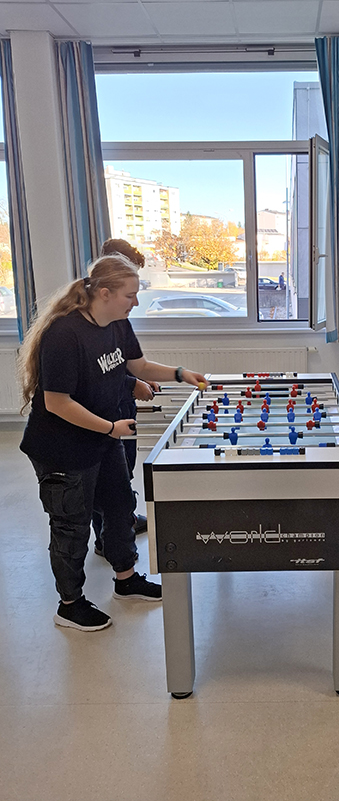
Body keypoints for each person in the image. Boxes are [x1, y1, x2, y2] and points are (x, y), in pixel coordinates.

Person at [19, 254, 209, 632]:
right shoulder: (64, 333)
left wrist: (179, 373)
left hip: (103, 435)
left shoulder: (117, 324)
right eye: (130, 295)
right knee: (71, 525)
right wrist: (109, 428)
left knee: (120, 506)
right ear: (104, 293)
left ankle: (126, 580)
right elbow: (56, 403)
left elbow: (136, 367)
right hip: (62, 448)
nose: (135, 302)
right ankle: (70, 605)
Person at [92, 238, 157, 555]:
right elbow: (99, 370)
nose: (133, 301)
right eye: (129, 294)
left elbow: (125, 360)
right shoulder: (86, 321)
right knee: (107, 475)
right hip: (105, 413)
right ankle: (108, 536)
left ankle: (121, 521)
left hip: (121, 405)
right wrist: (133, 382)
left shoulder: (118, 317)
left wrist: (137, 378)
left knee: (122, 469)